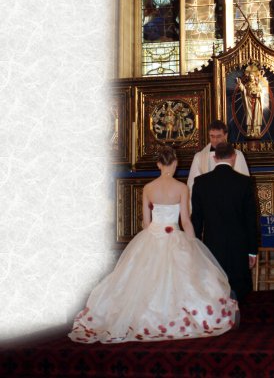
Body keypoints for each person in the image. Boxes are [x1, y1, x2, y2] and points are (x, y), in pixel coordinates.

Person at [68, 146, 238, 344]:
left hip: (152, 236)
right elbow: (186, 221)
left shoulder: (148, 188)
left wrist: (154, 234)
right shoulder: (181, 188)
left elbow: (146, 223)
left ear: (158, 164)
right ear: (175, 163)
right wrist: (192, 245)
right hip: (174, 235)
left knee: (142, 278)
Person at [191, 142, 259, 302]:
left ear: (214, 158)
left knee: (215, 289)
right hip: (239, 246)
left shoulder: (200, 182)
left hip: (212, 245)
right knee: (240, 290)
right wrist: (252, 251)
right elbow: (251, 219)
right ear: (234, 157)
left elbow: (196, 220)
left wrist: (196, 248)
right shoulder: (245, 182)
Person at [187, 120, 249, 196]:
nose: (215, 140)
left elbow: (244, 183)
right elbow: (192, 185)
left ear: (226, 135)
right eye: (212, 136)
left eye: (218, 136)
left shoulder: (237, 155)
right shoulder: (199, 157)